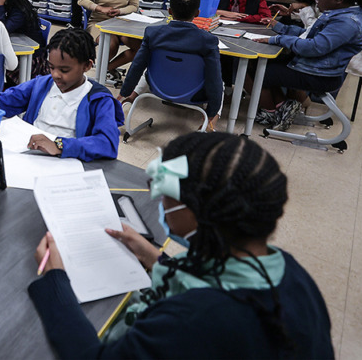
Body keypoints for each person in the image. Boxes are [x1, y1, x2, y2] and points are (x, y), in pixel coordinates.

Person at [29, 132, 334, 358]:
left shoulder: (194, 319)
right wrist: (153, 257)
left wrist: (55, 279)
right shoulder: (290, 271)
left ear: (193, 211)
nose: (160, 202)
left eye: (166, 197)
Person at [253, 0, 362, 131]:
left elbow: (313, 47)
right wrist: (280, 27)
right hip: (314, 67)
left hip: (320, 75)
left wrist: (277, 39)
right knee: (262, 64)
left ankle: (271, 112)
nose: (315, 1)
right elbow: (310, 34)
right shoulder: (339, 13)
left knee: (258, 70)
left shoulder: (346, 22)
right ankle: (282, 108)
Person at [0, 28, 123, 162]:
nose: (55, 75)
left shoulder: (99, 99)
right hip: (29, 156)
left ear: (87, 66)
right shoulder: (42, 84)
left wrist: (59, 145)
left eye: (64, 70)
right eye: (51, 67)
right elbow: (3, 100)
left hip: (67, 162)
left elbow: (107, 143)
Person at [118, 0, 224, 131]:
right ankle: (211, 122)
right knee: (220, 83)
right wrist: (212, 110)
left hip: (157, 88)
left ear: (169, 11)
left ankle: (128, 98)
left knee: (146, 70)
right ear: (197, 13)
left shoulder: (153, 33)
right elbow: (214, 79)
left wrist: (124, 91)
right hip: (194, 95)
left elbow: (137, 66)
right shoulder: (208, 40)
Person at [78, 0, 141, 81]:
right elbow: (82, 0)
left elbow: (134, 6)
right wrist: (100, 8)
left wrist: (120, 11)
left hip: (122, 23)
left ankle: (106, 68)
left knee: (140, 47)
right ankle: (104, 70)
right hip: (99, 23)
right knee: (111, 44)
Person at [0, 0, 48, 78]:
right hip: (19, 49)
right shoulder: (14, 7)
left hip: (31, 60)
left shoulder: (20, 12)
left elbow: (1, 30)